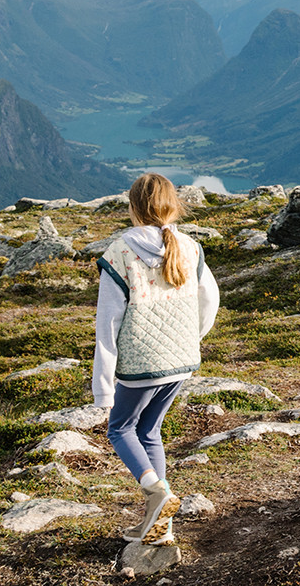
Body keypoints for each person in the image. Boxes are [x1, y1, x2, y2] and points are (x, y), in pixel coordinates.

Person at [94, 172, 221, 543]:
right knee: (149, 431)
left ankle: (157, 493)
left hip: (141, 364)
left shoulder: (120, 252)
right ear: (173, 204)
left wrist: (103, 389)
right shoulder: (189, 246)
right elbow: (209, 298)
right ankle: (159, 525)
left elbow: (108, 325)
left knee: (120, 428)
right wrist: (192, 337)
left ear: (133, 208)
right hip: (181, 359)